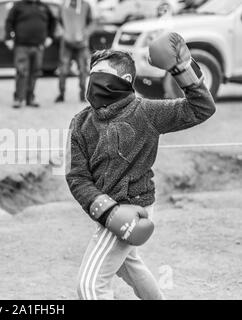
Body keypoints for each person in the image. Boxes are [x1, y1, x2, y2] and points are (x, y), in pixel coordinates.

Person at [65, 33, 216, 300]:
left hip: (135, 208)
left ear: (122, 80)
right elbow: (76, 175)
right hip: (110, 213)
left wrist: (183, 70)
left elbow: (201, 108)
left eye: (100, 73)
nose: (93, 79)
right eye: (92, 74)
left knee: (89, 286)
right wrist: (105, 210)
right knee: (129, 267)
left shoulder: (145, 112)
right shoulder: (80, 122)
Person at [5, 0, 56, 109]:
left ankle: (30, 98)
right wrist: (8, 38)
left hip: (38, 46)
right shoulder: (18, 6)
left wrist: (50, 36)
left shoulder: (43, 6)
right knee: (22, 71)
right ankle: (19, 99)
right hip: (21, 45)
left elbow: (53, 21)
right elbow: (9, 21)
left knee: (35, 72)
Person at [55, 0, 94, 103]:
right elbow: (57, 22)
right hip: (66, 43)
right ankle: (61, 94)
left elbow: (91, 23)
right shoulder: (63, 5)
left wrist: (85, 33)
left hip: (82, 44)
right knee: (63, 69)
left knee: (82, 70)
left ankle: (82, 94)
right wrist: (62, 33)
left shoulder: (86, 5)